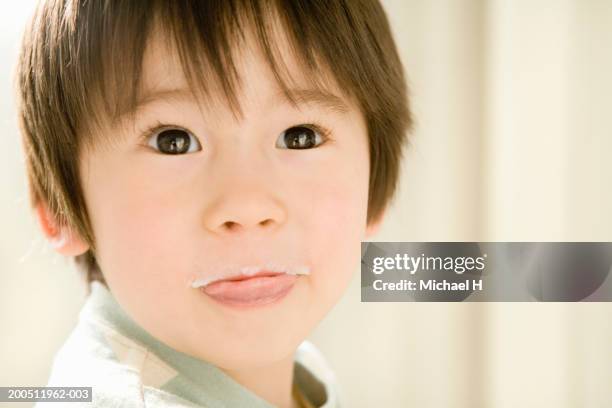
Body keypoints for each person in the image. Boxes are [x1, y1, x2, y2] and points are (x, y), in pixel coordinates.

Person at [16, 0, 411, 406]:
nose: (248, 206)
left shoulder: (302, 373)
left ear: (373, 193)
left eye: (300, 136)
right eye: (174, 141)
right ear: (60, 209)